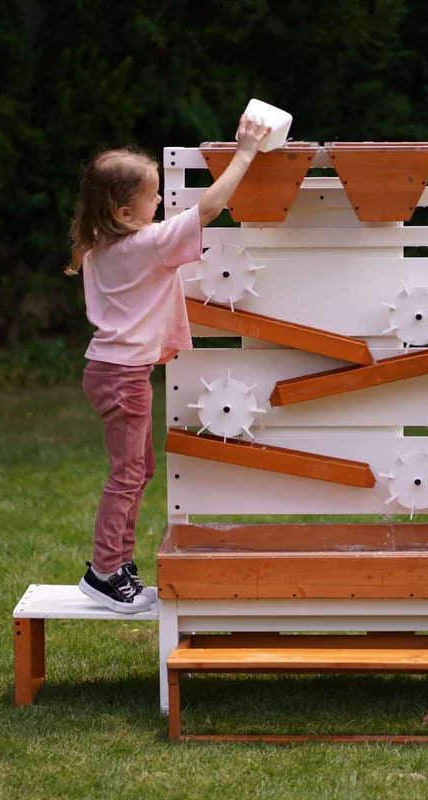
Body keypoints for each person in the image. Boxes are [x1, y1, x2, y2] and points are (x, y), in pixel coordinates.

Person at [65, 114, 270, 612]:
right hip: (122, 376)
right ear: (124, 210)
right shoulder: (146, 245)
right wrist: (245, 152)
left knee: (138, 470)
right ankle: (103, 572)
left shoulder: (101, 246)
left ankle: (119, 564)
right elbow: (210, 208)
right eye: (152, 196)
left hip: (113, 372)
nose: (159, 202)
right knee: (127, 474)